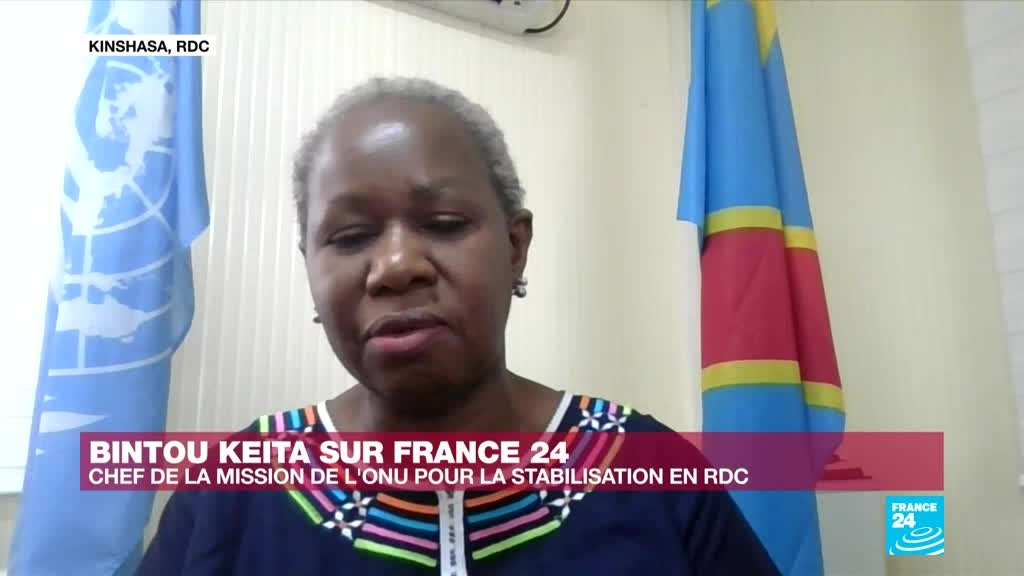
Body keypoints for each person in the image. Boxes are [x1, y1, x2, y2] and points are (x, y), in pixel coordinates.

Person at [140, 77, 780, 576]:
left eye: (443, 224)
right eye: (350, 236)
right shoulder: (229, 496)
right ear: (310, 268)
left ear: (515, 248)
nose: (395, 267)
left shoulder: (654, 475)